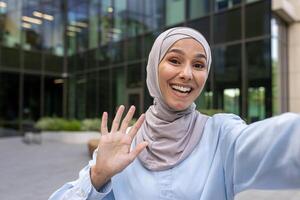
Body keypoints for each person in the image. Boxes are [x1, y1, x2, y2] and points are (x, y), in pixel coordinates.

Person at [49, 27, 300, 200]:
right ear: (153, 68)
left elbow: (283, 142)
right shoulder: (124, 144)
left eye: (199, 65)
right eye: (175, 60)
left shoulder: (221, 136)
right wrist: (98, 175)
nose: (187, 74)